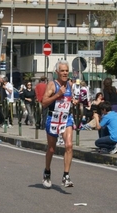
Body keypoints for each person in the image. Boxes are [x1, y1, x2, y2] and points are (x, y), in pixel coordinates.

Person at [41, 60, 78, 189]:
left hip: (66, 118)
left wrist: (73, 101)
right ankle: (47, 171)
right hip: (53, 118)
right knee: (51, 149)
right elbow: (44, 103)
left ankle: (66, 176)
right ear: (57, 72)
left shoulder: (70, 85)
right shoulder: (52, 85)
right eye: (62, 71)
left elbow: (69, 99)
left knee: (69, 145)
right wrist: (58, 95)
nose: (65, 73)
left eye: (66, 71)